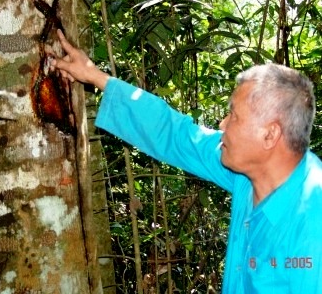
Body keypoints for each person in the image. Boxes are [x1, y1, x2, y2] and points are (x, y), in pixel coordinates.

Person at [51, 30, 322, 293]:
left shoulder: (311, 228)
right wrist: (97, 77)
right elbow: (179, 135)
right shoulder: (250, 173)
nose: (223, 124)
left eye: (234, 116)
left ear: (270, 134)